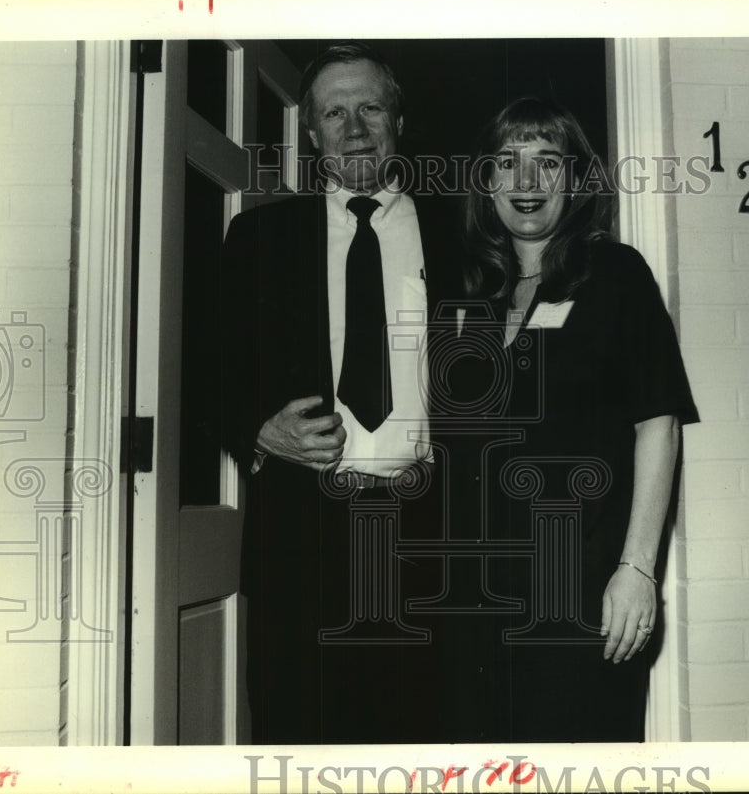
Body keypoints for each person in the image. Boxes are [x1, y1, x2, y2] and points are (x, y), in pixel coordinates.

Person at [218, 42, 460, 744]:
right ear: (311, 132)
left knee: (418, 740)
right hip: (300, 538)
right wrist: (258, 430)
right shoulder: (258, 236)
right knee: (299, 738)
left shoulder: (462, 234)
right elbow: (211, 371)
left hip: (429, 535)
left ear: (399, 122)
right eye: (334, 112)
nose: (353, 127)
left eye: (370, 107)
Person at [445, 96, 699, 742]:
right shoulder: (469, 293)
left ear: (577, 179)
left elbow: (658, 423)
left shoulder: (615, 274)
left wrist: (637, 570)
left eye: (547, 162)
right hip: (477, 600)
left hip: (584, 588)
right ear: (486, 181)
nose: (526, 183)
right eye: (508, 162)